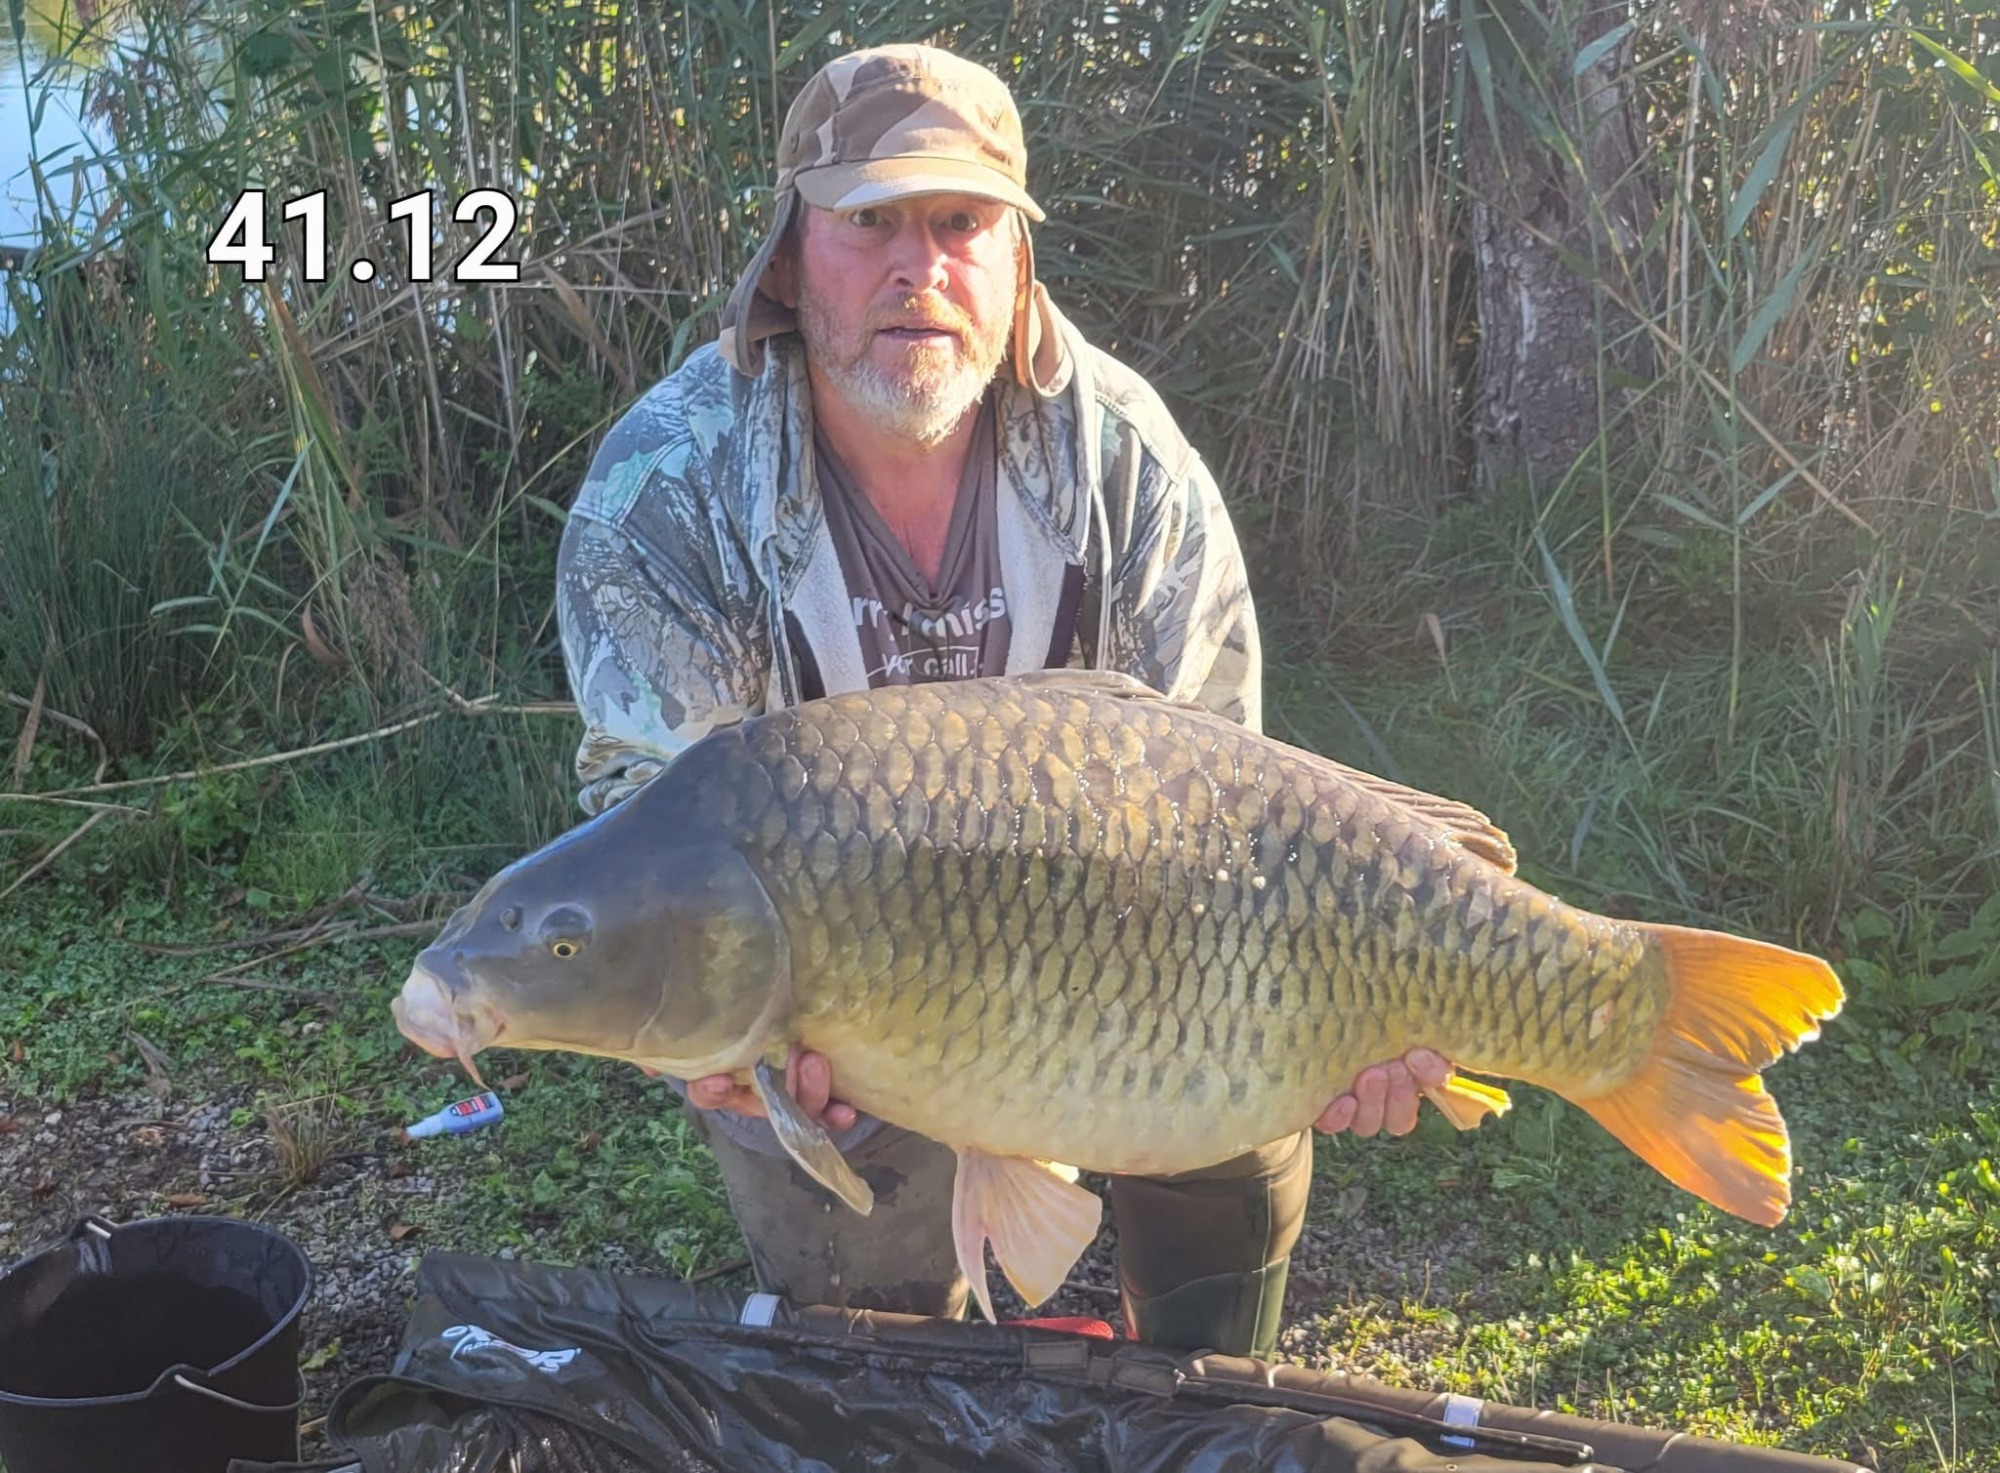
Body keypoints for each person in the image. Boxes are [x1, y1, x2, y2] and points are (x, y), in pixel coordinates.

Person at [554, 42, 1449, 1360]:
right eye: (870, 224)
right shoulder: (666, 491)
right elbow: (650, 842)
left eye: (962, 223)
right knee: (861, 1276)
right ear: (789, 263)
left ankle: (1198, 1402)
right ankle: (903, 1381)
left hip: (1130, 957)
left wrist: (1352, 1008)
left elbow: (1233, 809)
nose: (919, 268)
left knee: (1247, 1112)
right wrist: (712, 1041)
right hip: (841, 1016)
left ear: (1019, 264)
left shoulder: (1128, 465)